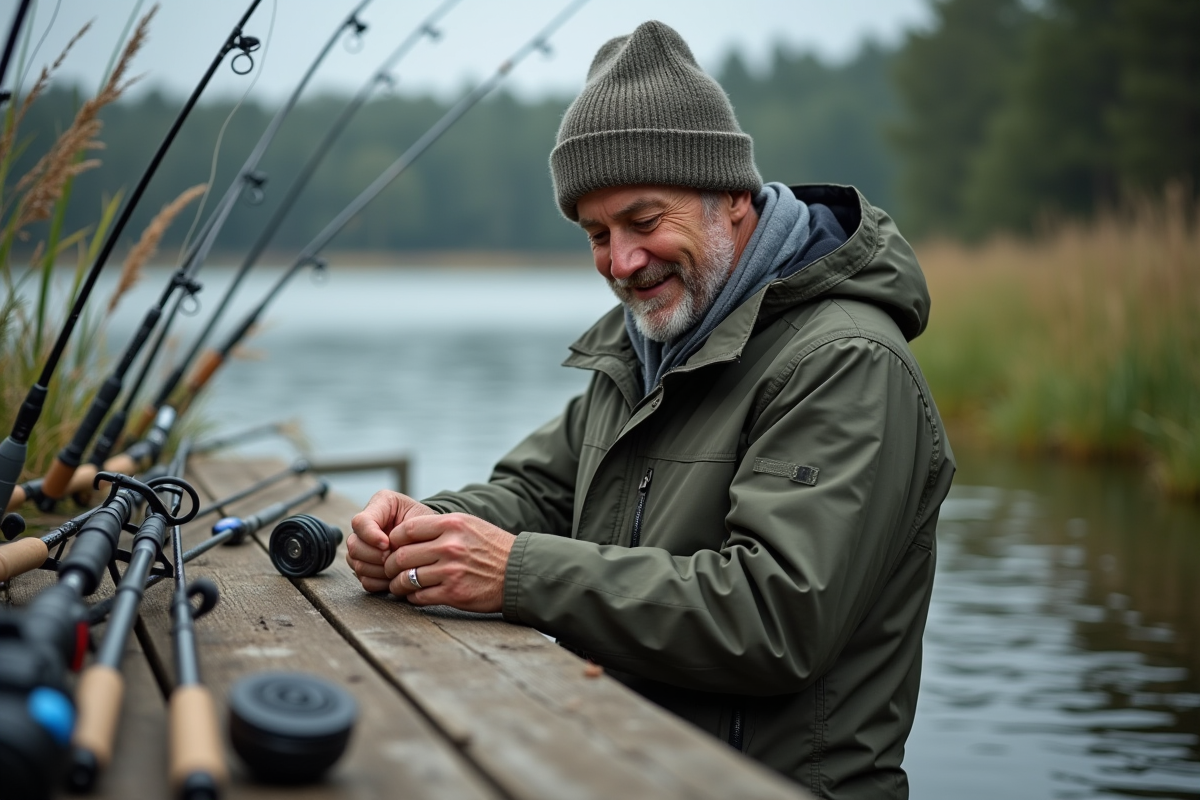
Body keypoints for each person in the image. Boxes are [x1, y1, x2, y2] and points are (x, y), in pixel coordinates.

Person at [347, 20, 954, 800]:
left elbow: (776, 618)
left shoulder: (845, 363)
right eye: (596, 234)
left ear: (733, 196)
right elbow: (537, 493)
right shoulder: (646, 347)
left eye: (643, 220)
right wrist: (416, 531)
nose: (621, 262)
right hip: (630, 768)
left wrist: (515, 573)